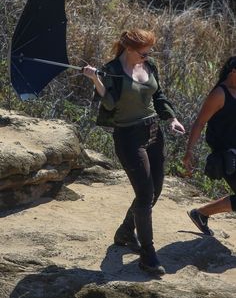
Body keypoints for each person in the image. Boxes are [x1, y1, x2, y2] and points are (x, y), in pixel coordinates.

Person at [83, 29, 185, 275]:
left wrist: (170, 118)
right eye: (144, 52)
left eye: (149, 51)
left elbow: (157, 95)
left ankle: (126, 232)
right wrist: (96, 79)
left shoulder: (149, 65)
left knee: (156, 190)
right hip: (128, 137)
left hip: (153, 132)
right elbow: (109, 104)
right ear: (129, 49)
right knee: (145, 193)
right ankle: (148, 255)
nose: (148, 56)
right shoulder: (112, 71)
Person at [183, 56, 236, 236]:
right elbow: (199, 123)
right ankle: (201, 213)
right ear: (233, 72)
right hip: (226, 155)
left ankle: (201, 213)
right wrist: (189, 151)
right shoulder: (220, 94)